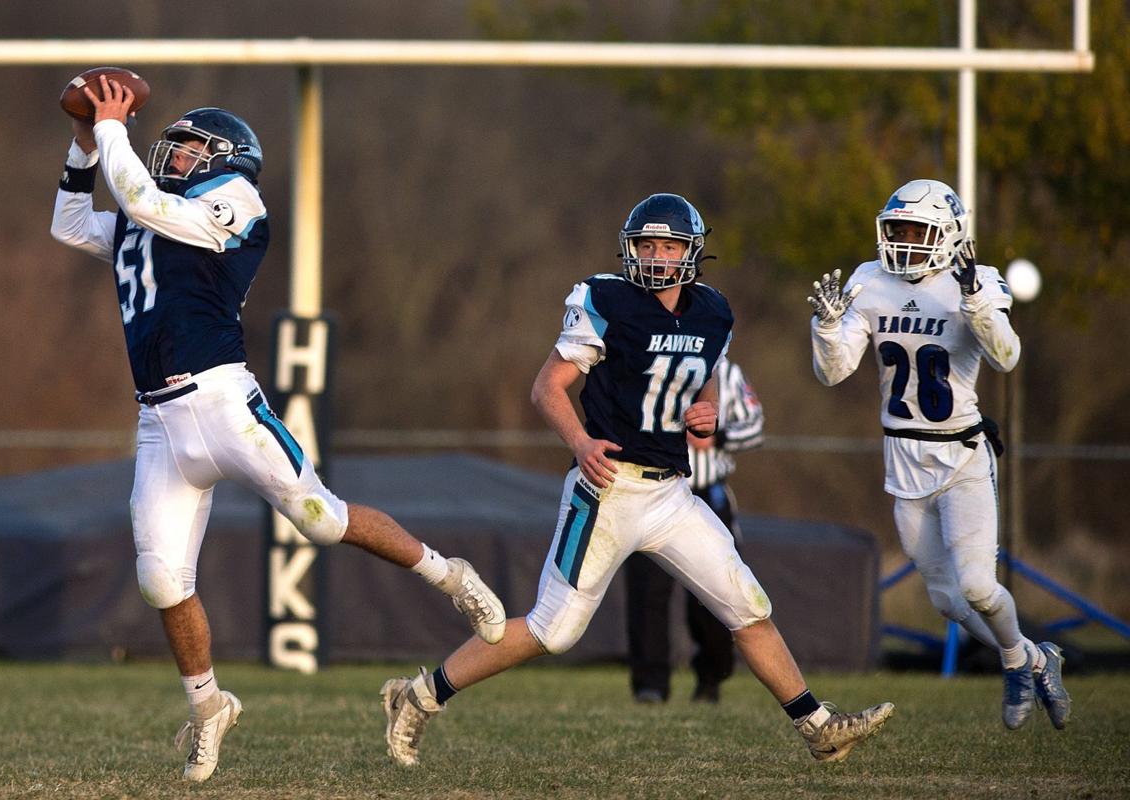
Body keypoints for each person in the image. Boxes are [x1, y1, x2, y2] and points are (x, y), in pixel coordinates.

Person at [49, 75, 507, 782]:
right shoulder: (155, 212)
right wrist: (84, 143)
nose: (174, 156)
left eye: (190, 147)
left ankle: (451, 576)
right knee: (159, 580)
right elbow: (72, 223)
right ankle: (209, 708)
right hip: (158, 421)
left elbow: (140, 197)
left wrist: (110, 127)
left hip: (223, 401)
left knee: (320, 519)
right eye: (170, 147)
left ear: (225, 157)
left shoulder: (239, 203)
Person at [380, 192, 894, 767]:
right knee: (555, 631)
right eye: (646, 244)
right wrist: (580, 442)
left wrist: (707, 410)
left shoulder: (713, 311)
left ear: (691, 252)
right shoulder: (607, 300)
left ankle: (818, 727)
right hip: (607, 490)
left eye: (668, 245)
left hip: (672, 492)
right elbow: (547, 387)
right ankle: (420, 695)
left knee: (748, 606)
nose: (656, 255)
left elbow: (704, 376)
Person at [807, 178, 1070, 731]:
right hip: (903, 458)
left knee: (976, 584)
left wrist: (978, 305)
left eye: (916, 230)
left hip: (963, 455)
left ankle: (1016, 661)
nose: (902, 241)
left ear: (948, 234)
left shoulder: (972, 283)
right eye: (896, 229)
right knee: (949, 601)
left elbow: (1007, 357)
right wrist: (829, 329)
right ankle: (1035, 657)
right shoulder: (869, 281)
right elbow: (833, 373)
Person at [625, 358, 763, 704]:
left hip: (705, 492)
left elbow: (756, 426)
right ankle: (650, 686)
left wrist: (718, 435)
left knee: (715, 592)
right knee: (648, 592)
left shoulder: (728, 371)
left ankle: (711, 677)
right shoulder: (648, 355)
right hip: (651, 491)